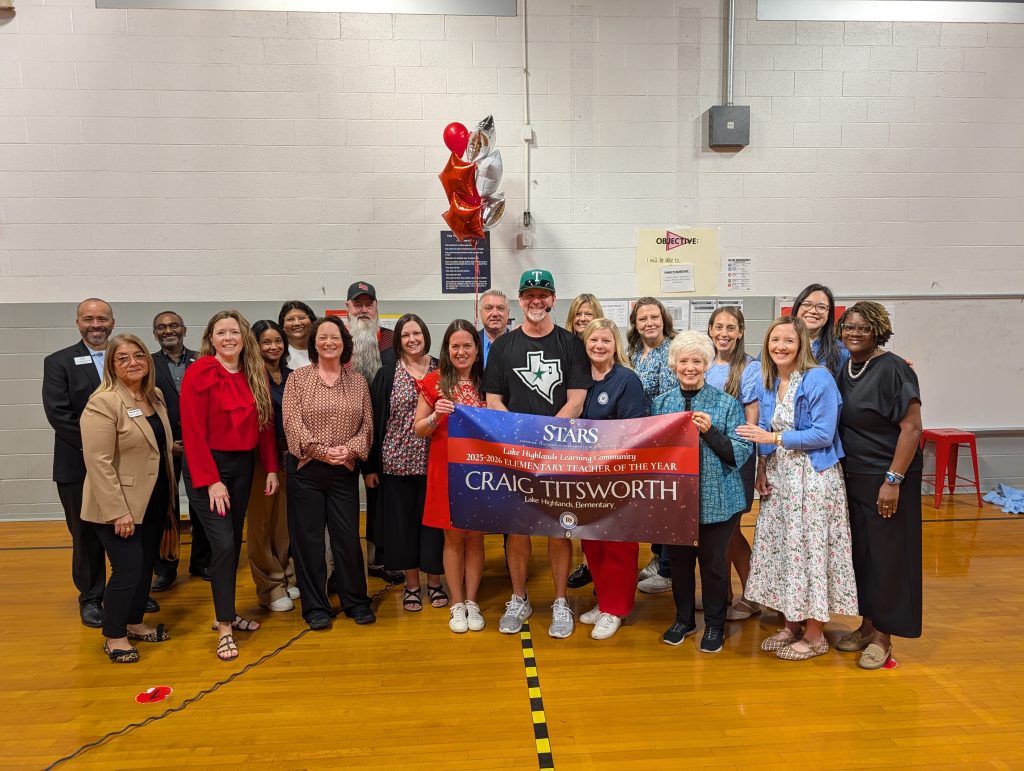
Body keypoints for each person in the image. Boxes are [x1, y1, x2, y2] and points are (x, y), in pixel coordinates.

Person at [737, 317, 858, 662]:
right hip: (781, 476)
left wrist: (773, 438)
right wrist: (762, 465)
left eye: (789, 340)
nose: (781, 346)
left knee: (810, 551)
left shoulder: (818, 378)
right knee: (785, 551)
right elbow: (762, 426)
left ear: (802, 343)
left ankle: (816, 634)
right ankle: (791, 624)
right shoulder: (769, 378)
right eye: (775, 339)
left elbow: (823, 433)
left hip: (813, 477)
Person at [483, 268, 593, 638]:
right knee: (517, 530)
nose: (536, 300)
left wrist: (545, 437)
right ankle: (519, 598)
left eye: (542, 294)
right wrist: (520, 439)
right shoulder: (503, 347)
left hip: (559, 451)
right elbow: (493, 399)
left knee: (559, 529)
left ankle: (560, 600)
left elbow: (576, 401)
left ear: (553, 299)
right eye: (529, 294)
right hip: (516, 454)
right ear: (520, 300)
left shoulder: (570, 344)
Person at [180, 311, 280, 661]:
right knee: (222, 545)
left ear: (243, 337)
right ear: (211, 338)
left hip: (242, 467)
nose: (228, 338)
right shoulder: (201, 371)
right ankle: (224, 627)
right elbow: (192, 430)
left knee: (233, 541)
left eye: (234, 332)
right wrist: (211, 481)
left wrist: (270, 468)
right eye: (221, 332)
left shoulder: (254, 372)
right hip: (208, 468)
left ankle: (228, 612)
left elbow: (265, 423)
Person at [835, 302, 923, 669]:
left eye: (864, 328)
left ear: (878, 332)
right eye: (849, 327)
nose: (855, 333)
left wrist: (893, 480)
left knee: (888, 558)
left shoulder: (894, 369)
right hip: (853, 477)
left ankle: (884, 638)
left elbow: (912, 428)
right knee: (863, 556)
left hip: (887, 478)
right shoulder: (845, 367)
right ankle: (868, 625)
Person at [653, 332, 752, 653]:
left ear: (707, 365)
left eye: (697, 361)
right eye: (684, 361)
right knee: (679, 564)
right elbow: (653, 452)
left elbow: (739, 452)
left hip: (718, 500)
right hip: (676, 501)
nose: (690, 367)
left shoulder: (726, 404)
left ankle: (714, 624)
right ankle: (683, 620)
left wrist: (710, 432)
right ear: (674, 365)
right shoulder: (661, 404)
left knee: (713, 565)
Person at [80, 334, 175, 662]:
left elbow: (156, 445)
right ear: (111, 365)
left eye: (139, 355)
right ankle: (114, 636)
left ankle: (134, 623)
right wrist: (118, 512)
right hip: (118, 505)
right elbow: (98, 462)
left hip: (153, 500)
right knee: (128, 567)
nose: (133, 362)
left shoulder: (154, 395)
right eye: (123, 358)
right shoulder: (103, 402)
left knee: (145, 565)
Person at [282, 316, 376, 630]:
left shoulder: (358, 382)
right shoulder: (298, 380)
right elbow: (292, 424)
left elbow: (367, 427)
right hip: (306, 471)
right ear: (314, 343)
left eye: (334, 337)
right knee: (308, 541)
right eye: (322, 337)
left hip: (344, 472)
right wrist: (323, 451)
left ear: (344, 342)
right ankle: (315, 607)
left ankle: (356, 602)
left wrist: (348, 450)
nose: (328, 343)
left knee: (347, 538)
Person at [42, 298, 116, 628]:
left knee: (126, 528)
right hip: (77, 462)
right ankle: (91, 597)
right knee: (85, 533)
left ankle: (126, 589)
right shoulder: (58, 362)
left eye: (102, 318)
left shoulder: (125, 356)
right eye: (88, 319)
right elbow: (59, 414)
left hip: (122, 463)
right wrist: (100, 448)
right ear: (78, 323)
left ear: (112, 322)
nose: (95, 325)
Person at [366, 314, 445, 613]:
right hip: (396, 463)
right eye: (405, 335)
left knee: (434, 528)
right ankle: (412, 585)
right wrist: (370, 467)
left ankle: (434, 582)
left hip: (436, 463)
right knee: (403, 528)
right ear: (398, 341)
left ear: (425, 335)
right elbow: (375, 422)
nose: (412, 339)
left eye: (417, 333)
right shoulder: (387, 374)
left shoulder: (442, 369)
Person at [414, 320, 488, 633]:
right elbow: (419, 429)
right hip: (445, 469)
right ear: (446, 349)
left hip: (481, 472)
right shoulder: (433, 382)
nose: (461, 351)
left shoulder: (489, 382)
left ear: (477, 350)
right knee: (454, 537)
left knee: (476, 536)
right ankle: (457, 603)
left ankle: (472, 601)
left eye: (467, 345)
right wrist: (436, 415)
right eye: (455, 346)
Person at [576, 319, 644, 640]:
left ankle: (616, 609)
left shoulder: (627, 380)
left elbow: (631, 432)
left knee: (618, 545)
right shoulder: (578, 379)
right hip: (582, 476)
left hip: (617, 477)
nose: (599, 346)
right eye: (593, 340)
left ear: (615, 344)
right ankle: (604, 601)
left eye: (605, 340)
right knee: (592, 542)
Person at [705, 306, 761, 621]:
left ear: (740, 332)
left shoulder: (749, 368)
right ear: (710, 330)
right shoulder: (704, 363)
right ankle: (722, 593)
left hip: (734, 458)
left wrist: (738, 453)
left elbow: (751, 421)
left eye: (730, 328)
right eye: (718, 327)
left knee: (731, 531)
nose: (723, 333)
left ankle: (752, 595)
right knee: (716, 532)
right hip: (707, 459)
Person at [345, 280, 400, 583]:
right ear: (348, 307)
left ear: (376, 306)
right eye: (358, 304)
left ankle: (380, 557)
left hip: (382, 432)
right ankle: (343, 564)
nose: (363, 309)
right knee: (344, 501)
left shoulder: (391, 340)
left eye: (368, 304)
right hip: (343, 432)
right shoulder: (339, 340)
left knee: (381, 498)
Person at [150, 310, 208, 591]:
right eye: (161, 327)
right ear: (155, 334)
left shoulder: (203, 360)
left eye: (173, 325)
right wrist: (164, 443)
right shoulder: (147, 363)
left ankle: (201, 561)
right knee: (165, 508)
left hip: (201, 445)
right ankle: (165, 567)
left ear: (184, 329)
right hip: (165, 447)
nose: (168, 331)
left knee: (202, 505)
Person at [246, 320, 298, 612]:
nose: (273, 347)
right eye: (266, 342)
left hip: (291, 457)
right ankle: (270, 586)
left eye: (278, 341)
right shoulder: (249, 378)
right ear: (255, 345)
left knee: (284, 523)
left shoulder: (292, 377)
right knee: (262, 525)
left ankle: (287, 575)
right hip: (260, 460)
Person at [628, 297, 679, 593]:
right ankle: (658, 557)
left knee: (667, 505)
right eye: (643, 318)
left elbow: (668, 400)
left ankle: (669, 570)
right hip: (640, 440)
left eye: (654, 317)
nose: (649, 323)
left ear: (663, 320)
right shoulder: (634, 351)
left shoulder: (671, 350)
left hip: (664, 438)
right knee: (652, 505)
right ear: (635, 324)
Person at [565, 292, 606, 590]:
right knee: (576, 505)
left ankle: (594, 565)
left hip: (599, 439)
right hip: (570, 434)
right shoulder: (566, 347)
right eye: (578, 313)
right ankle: (586, 562)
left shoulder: (601, 345)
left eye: (588, 313)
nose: (582, 318)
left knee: (597, 505)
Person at [791, 284, 849, 375]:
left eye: (821, 307)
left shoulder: (841, 351)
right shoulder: (778, 345)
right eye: (807, 304)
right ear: (797, 308)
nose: (813, 311)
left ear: (829, 314)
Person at [278, 301, 317, 369]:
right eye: (290, 319)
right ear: (282, 325)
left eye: (302, 318)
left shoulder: (321, 347)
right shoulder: (278, 352)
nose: (297, 323)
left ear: (312, 321)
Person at [478, 288, 510, 366]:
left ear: (508, 313)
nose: (495, 314)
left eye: (500, 308)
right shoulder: (472, 342)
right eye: (489, 308)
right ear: (480, 313)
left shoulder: (519, 343)